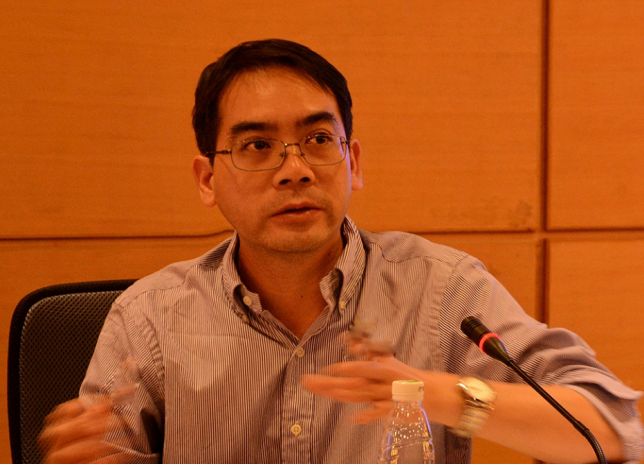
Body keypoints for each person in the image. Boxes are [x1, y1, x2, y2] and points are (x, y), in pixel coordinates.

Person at [39, 39, 644, 464]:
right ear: (207, 179)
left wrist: (439, 394)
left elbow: (616, 429)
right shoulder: (150, 318)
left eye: (318, 139)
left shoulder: (443, 291)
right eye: (257, 146)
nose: (295, 169)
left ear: (352, 162)